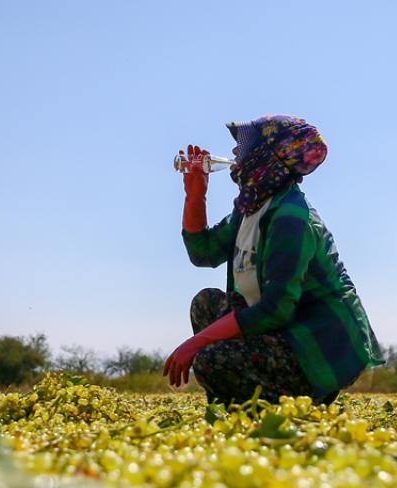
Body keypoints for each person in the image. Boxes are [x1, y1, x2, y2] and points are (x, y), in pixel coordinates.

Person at [164, 115, 383, 405]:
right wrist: (195, 193)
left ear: (265, 154)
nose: (234, 155)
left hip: (316, 348)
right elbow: (202, 252)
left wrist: (196, 342)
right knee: (205, 303)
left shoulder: (291, 217)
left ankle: (282, 406)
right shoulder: (252, 207)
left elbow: (275, 310)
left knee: (210, 359)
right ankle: (239, 407)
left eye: (243, 146)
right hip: (284, 332)